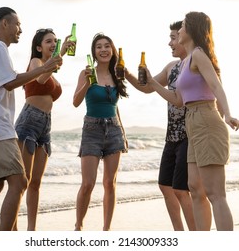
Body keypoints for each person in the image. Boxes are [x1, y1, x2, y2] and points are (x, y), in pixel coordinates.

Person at [145, 11, 239, 231]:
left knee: (215, 193)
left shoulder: (200, 54)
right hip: (192, 121)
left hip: (207, 120)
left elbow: (217, 86)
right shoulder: (183, 64)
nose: (178, 31)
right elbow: (178, 100)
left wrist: (228, 114)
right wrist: (153, 84)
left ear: (190, 29)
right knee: (194, 187)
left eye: (181, 26)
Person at [0, 7, 62, 231]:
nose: (20, 29)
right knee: (20, 182)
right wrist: (47, 66)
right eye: (17, 25)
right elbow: (10, 82)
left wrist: (49, 66)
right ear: (4, 24)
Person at [124, 21, 196, 231]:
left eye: (174, 38)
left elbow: (179, 98)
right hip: (170, 136)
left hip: (188, 134)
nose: (170, 43)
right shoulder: (171, 67)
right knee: (165, 185)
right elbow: (147, 88)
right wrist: (127, 73)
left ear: (185, 38)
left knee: (182, 189)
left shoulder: (192, 64)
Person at [13, 28, 75, 231]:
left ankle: (31, 230)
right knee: (22, 181)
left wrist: (58, 58)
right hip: (29, 121)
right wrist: (61, 53)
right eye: (49, 41)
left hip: (45, 126)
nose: (53, 44)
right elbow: (39, 79)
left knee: (36, 183)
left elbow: (48, 78)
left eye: (55, 41)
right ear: (39, 47)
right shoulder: (35, 63)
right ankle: (11, 227)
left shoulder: (52, 69)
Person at [73, 33, 128, 231]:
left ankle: (106, 230)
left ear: (112, 50)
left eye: (107, 46)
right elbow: (76, 102)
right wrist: (88, 82)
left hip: (114, 130)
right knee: (87, 183)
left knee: (109, 183)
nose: (103, 50)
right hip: (92, 130)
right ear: (94, 52)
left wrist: (123, 133)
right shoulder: (86, 72)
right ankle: (78, 227)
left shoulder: (117, 74)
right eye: (99, 47)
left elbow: (115, 107)